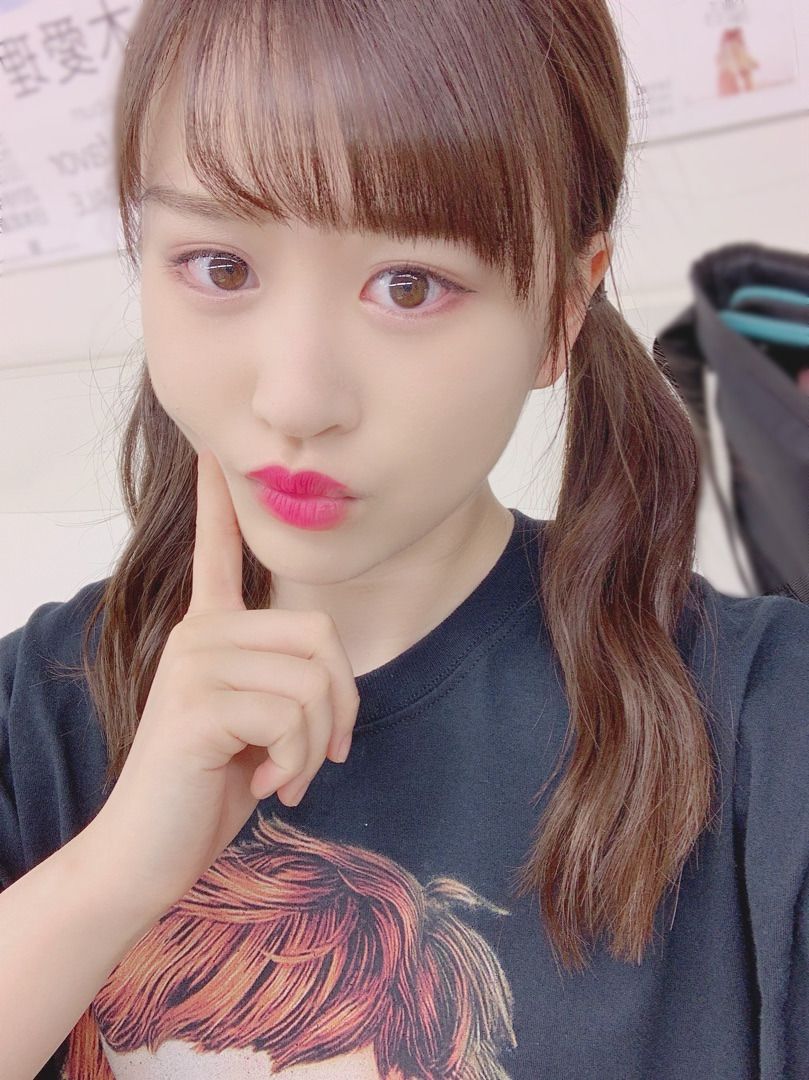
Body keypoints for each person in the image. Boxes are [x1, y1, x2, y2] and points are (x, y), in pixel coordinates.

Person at [0, 1, 806, 1077]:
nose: (295, 398)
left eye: (408, 286)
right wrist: (106, 877)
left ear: (561, 309)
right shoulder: (36, 714)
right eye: (220, 267)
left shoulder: (763, 729)